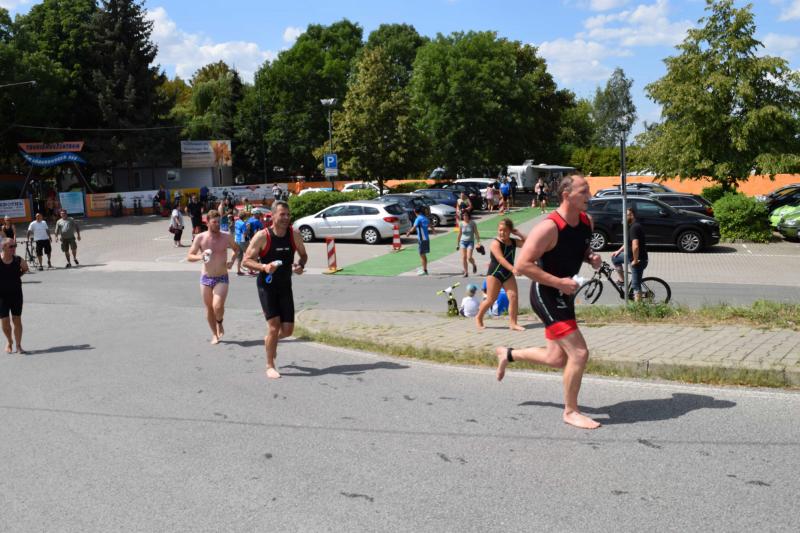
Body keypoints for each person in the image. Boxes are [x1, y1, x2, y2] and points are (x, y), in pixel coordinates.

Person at [495, 174, 603, 430]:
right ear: (566, 195)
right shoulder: (549, 227)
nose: (589, 196)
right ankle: (571, 411)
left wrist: (590, 257)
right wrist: (558, 283)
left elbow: (578, 249)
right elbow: (523, 265)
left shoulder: (587, 221)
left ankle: (507, 354)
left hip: (564, 293)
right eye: (583, 191)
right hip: (545, 295)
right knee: (579, 353)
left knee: (556, 358)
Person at [243, 200, 308, 379]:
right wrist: (264, 267)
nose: (286, 218)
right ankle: (270, 365)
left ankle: (270, 342)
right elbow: (246, 260)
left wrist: (300, 265)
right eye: (282, 214)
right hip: (267, 286)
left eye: (288, 214)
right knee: (273, 327)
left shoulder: (294, 235)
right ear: (272, 216)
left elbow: (303, 255)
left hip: (285, 286)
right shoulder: (262, 236)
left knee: (288, 331)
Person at [187, 210, 239, 345]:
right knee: (209, 308)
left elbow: (236, 249)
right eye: (214, 222)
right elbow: (189, 256)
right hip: (206, 277)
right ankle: (214, 334)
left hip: (222, 277)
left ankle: (219, 322)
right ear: (207, 222)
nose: (217, 224)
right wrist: (200, 256)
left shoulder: (226, 236)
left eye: (219, 222)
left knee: (218, 306)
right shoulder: (200, 237)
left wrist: (232, 260)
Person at [475, 218, 525, 331]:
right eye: (500, 230)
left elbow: (528, 243)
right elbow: (500, 259)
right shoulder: (495, 243)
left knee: (513, 297)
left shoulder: (513, 242)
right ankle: (478, 317)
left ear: (510, 231)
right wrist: (513, 269)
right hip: (495, 274)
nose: (502, 232)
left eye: (505, 230)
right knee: (490, 300)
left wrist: (518, 233)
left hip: (507, 274)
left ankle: (513, 323)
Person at [611, 207, 648, 302]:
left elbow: (635, 246)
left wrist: (635, 260)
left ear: (632, 215)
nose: (624, 218)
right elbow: (628, 243)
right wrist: (618, 251)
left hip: (638, 260)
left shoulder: (635, 228)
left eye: (626, 215)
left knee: (636, 286)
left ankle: (638, 307)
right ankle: (622, 280)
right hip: (630, 257)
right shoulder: (631, 226)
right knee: (615, 258)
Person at [0, 237, 28, 354]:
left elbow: (25, 268)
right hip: (1, 296)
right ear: (3, 247)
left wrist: (16, 276)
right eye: (11, 246)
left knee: (17, 320)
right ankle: (9, 341)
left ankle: (18, 345)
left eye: (15, 246)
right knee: (5, 321)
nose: (14, 248)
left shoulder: (18, 260)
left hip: (16, 295)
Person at [404, 206, 430, 275]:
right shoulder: (425, 218)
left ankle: (424, 270)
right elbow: (429, 224)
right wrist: (433, 231)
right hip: (426, 238)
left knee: (422, 255)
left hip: (422, 239)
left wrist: (408, 232)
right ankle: (424, 269)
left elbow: (414, 227)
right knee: (423, 255)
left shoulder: (418, 219)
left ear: (415, 212)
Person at [455, 210, 480, 277]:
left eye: (466, 215)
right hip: (462, 242)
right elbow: (459, 234)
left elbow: (476, 233)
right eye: (463, 215)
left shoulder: (472, 223)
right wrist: (457, 244)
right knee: (463, 257)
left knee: (469, 257)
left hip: (470, 242)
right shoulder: (461, 223)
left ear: (468, 216)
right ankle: (466, 272)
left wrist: (478, 242)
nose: (465, 216)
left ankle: (474, 264)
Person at [233, 210, 249, 275]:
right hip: (242, 240)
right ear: (244, 217)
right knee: (248, 254)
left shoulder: (236, 222)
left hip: (237, 239)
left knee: (239, 256)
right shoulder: (243, 224)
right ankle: (250, 269)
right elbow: (245, 233)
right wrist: (247, 228)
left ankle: (238, 271)